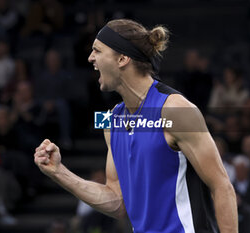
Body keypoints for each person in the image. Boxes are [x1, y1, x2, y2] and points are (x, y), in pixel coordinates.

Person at [34, 19, 237, 233]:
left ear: (122, 59)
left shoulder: (176, 110)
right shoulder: (111, 122)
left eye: (97, 50)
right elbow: (117, 201)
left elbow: (221, 186)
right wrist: (59, 172)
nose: (90, 58)